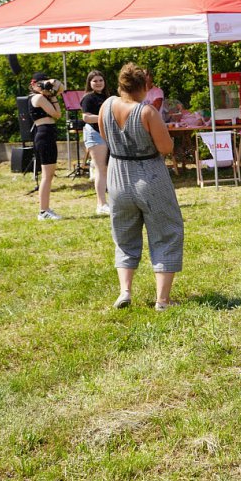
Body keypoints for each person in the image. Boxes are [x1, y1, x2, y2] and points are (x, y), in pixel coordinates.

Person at [99, 63, 184, 311]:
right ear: (145, 86)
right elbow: (166, 148)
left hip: (117, 177)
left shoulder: (106, 106)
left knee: (124, 234)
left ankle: (125, 291)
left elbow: (105, 136)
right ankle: (162, 300)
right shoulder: (147, 112)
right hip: (149, 177)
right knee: (167, 233)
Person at [29, 71, 63, 221]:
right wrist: (53, 96)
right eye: (39, 83)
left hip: (47, 134)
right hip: (44, 134)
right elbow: (56, 114)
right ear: (33, 85)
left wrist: (52, 89)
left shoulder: (44, 97)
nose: (43, 86)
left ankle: (45, 209)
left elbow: (61, 86)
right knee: (47, 175)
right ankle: (43, 210)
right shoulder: (38, 98)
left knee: (48, 175)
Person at [81, 70, 111, 215]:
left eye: (100, 80)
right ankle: (101, 204)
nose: (98, 83)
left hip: (107, 134)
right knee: (101, 168)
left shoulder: (108, 97)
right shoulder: (88, 98)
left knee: (108, 168)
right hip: (95, 134)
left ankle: (109, 201)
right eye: (95, 81)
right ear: (90, 83)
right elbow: (86, 117)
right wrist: (104, 116)